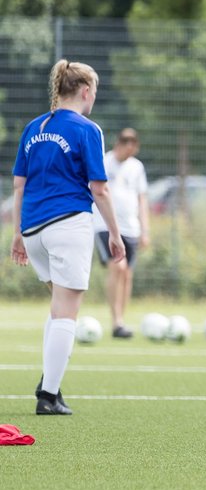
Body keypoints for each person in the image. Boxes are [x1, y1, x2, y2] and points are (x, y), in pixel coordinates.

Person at [9, 60, 125, 415]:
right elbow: (99, 189)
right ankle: (48, 395)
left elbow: (18, 185)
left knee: (58, 306)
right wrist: (116, 234)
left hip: (32, 230)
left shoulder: (33, 127)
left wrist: (16, 233)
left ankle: (50, 384)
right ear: (86, 91)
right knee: (66, 312)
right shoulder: (88, 128)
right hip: (67, 225)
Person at [91, 128, 150, 339]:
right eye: (126, 142)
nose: (129, 147)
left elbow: (142, 199)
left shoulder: (137, 167)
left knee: (127, 274)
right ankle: (116, 320)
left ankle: (121, 321)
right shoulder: (105, 162)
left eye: (133, 143)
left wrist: (145, 230)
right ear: (119, 143)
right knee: (118, 267)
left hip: (131, 227)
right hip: (105, 225)